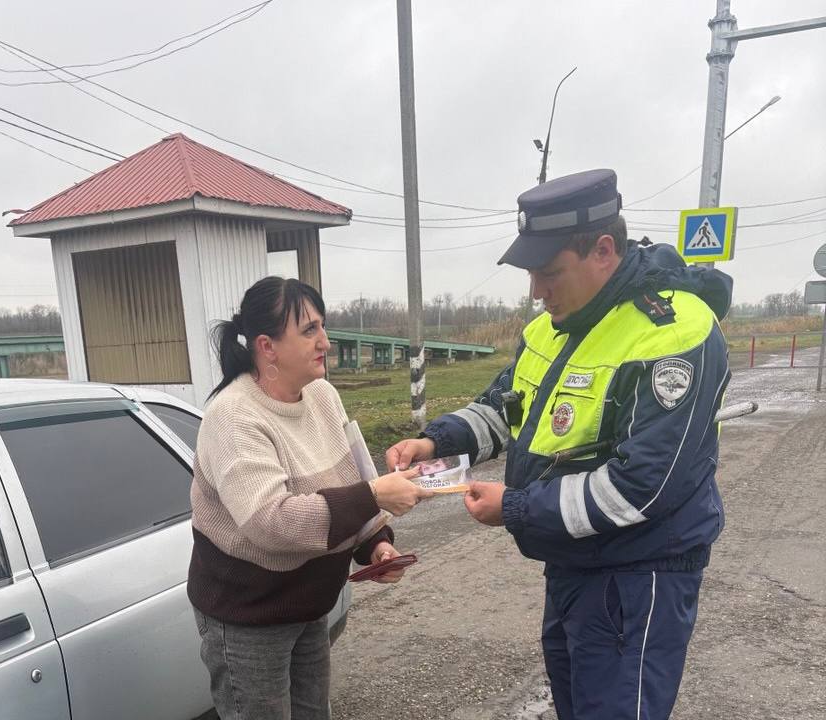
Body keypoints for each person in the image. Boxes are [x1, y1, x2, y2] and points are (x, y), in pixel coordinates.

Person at [387, 169, 733, 720]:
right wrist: (435, 442)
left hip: (637, 574)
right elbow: (506, 406)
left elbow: (641, 488)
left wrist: (516, 507)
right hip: (575, 564)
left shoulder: (672, 333)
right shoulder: (556, 323)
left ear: (603, 251)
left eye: (549, 273)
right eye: (531, 273)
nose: (536, 291)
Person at [188, 276, 432, 720]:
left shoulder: (323, 395)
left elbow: (351, 478)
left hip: (309, 605)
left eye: (323, 326)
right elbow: (271, 522)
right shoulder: (233, 417)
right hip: (249, 617)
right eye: (309, 330)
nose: (325, 342)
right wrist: (374, 495)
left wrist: (375, 544)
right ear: (267, 346)